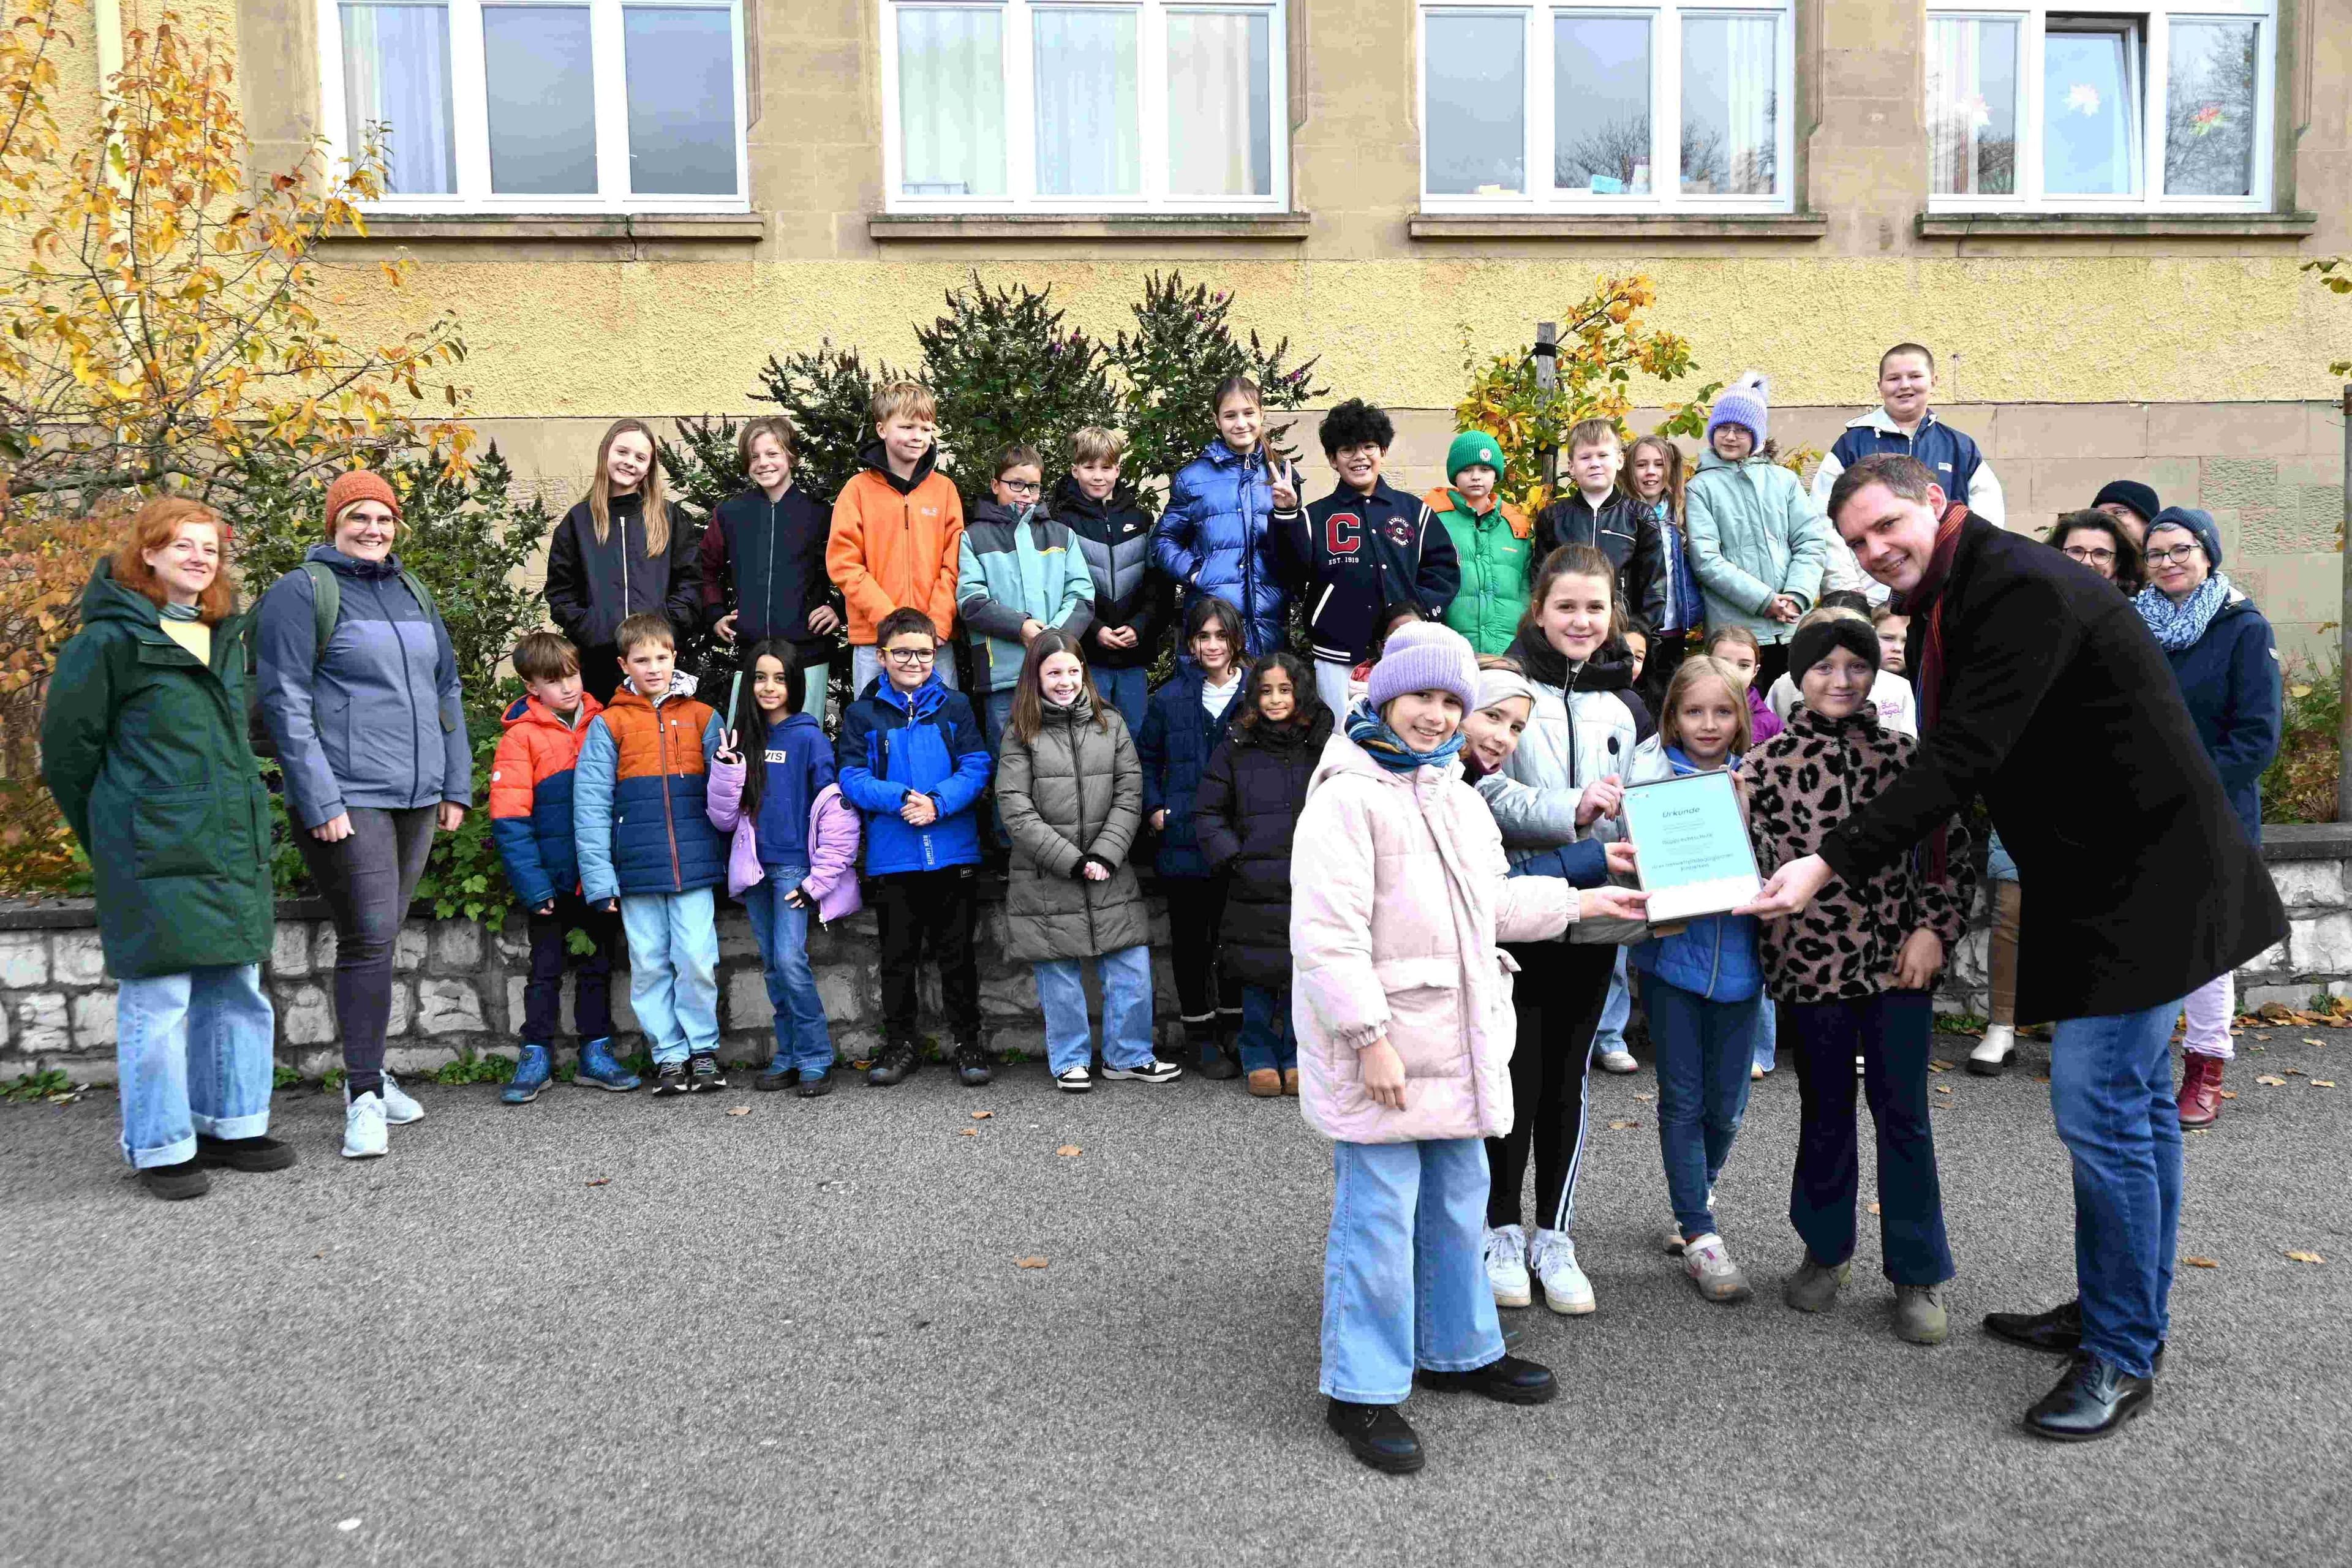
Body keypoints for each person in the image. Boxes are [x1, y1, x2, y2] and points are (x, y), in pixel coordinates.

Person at [1758, 451, 2286, 1441]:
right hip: (2103, 882)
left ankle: (2122, 1351)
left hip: (2147, 885)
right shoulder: (1964, 589)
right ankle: (2118, 1309)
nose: (1876, 551)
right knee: (2135, 1111)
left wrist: (1826, 862)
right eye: (1859, 541)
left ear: (1936, 502)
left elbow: (1961, 757)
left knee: (2104, 1111)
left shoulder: (2012, 586)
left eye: (1887, 526)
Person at [1291, 619, 1645, 1474]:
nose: (1439, 716)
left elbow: (1493, 901)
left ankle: (1456, 1349)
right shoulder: (1345, 796)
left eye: (1453, 701)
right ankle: (1361, 1388)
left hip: (1458, 1041)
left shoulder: (1453, 792)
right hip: (1386, 1048)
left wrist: (1582, 903)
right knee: (1378, 1222)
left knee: (1459, 1202)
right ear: (1385, 697)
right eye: (1422, 696)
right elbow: (1327, 937)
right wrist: (1369, 1040)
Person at [1742, 616, 1975, 1346]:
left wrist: (1933, 928)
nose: (1840, 680)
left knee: (1904, 1112)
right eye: (1824, 667)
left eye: (1855, 666)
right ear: (1798, 676)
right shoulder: (1766, 766)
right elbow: (1748, 866)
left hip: (1900, 966)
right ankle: (1825, 1249)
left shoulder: (1909, 758)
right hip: (1813, 967)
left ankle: (1917, 1271)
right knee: (1824, 1109)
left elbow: (1950, 854)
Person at [42, 499, 282, 1198]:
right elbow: (69, 756)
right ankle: (162, 1145)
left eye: (210, 548)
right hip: (151, 848)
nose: (200, 559)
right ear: (147, 553)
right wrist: (116, 834)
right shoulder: (107, 643)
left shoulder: (221, 636)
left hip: (227, 842)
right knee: (160, 999)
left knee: (237, 989)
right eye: (183, 545)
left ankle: (232, 1123)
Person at [257, 469, 470, 1159]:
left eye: (383, 518)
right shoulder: (302, 592)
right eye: (358, 517)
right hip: (349, 796)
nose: (373, 529)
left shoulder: (413, 591)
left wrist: (455, 783)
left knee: (378, 934)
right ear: (334, 524)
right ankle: (364, 1095)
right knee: (371, 937)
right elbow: (286, 700)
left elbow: (447, 688)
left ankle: (370, 1073)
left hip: (417, 794)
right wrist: (320, 797)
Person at [1480, 546, 1643, 1317]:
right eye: (1566, 606)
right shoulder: (1509, 690)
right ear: (1538, 610)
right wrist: (1569, 809)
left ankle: (1555, 1233)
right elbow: (1484, 789)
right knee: (1514, 1075)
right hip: (1522, 908)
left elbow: (1643, 804)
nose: (1581, 620)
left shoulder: (1625, 708)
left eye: (1595, 608)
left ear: (1613, 616)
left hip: (1597, 918)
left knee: (1569, 1079)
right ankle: (1499, 1227)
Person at [2135, 508, 2282, 1128]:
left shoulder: (2243, 627)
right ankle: (2142, 1069)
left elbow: (2257, 739)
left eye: (2181, 550)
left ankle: (2205, 1071)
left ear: (2207, 553)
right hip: (2140, 811)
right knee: (2144, 944)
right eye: (2156, 553)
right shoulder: (2132, 624)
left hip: (2213, 813)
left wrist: (2185, 788)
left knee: (2206, 949)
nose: (2168, 562)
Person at [1627, 655, 1764, 1300]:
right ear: (1673, 719)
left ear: (1741, 718)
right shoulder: (1649, 785)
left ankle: (1697, 1190)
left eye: (1722, 711)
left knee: (1728, 1105)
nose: (1708, 724)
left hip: (1742, 968)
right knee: (1682, 1099)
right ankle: (1700, 1232)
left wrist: (1749, 818)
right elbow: (1628, 869)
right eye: (1693, 711)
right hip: (1672, 966)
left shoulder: (1760, 781)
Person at [994, 632, 1177, 1093]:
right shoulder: (1020, 731)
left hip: (1108, 867)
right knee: (1058, 970)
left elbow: (1129, 792)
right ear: (1035, 676)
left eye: (1073, 671)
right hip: (1046, 873)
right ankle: (1070, 1059)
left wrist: (1104, 854)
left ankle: (1129, 1055)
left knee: (1130, 963)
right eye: (1054, 672)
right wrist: (1072, 861)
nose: (1065, 681)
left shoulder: (1109, 723)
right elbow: (1015, 807)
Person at [834, 608, 993, 1088]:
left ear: (935, 655)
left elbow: (977, 766)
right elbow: (851, 777)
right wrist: (902, 798)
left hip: (952, 851)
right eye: (902, 652)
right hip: (894, 855)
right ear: (881, 656)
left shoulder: (956, 707)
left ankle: (968, 1042)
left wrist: (938, 804)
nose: (914, 661)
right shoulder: (862, 714)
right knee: (897, 958)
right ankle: (900, 1043)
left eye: (924, 653)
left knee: (958, 956)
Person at [572, 613, 727, 1098]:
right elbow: (591, 804)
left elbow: (727, 796)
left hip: (694, 866)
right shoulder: (609, 724)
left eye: (662, 657)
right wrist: (599, 877)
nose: (654, 667)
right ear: (624, 665)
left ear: (675, 657)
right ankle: (669, 1055)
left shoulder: (704, 717)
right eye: (642, 660)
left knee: (697, 960)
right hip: (636, 870)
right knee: (650, 965)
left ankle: (703, 1049)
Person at [488, 631, 636, 1104]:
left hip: (596, 878)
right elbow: (510, 820)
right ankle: (535, 1054)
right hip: (550, 883)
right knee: (545, 971)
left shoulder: (605, 722)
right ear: (532, 687)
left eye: (572, 675)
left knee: (598, 966)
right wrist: (533, 886)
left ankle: (596, 1052)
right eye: (554, 681)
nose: (568, 687)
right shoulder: (521, 738)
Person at [707, 640, 861, 1098]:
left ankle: (816, 1057)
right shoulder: (741, 737)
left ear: (794, 683)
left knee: (792, 962)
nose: (768, 687)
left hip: (794, 871)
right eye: (759, 678)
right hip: (753, 869)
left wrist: (819, 880)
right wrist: (726, 770)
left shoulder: (809, 738)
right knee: (774, 967)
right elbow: (723, 818)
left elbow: (835, 811)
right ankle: (789, 1055)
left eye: (778, 678)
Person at [1196, 652, 1332, 1098]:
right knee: (1254, 975)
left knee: (1301, 974)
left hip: (1310, 881)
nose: (1275, 700)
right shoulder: (1236, 747)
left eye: (1285, 690)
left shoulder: (1323, 747)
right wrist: (1235, 858)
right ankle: (1257, 1056)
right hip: (1251, 884)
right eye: (1267, 691)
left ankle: (1296, 1057)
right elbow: (1209, 812)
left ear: (1301, 693)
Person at [1275, 397, 1460, 718]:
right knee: (1342, 736)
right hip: (1337, 656)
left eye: (1369, 447)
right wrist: (1287, 515)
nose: (1360, 457)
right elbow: (1289, 574)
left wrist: (1417, 613)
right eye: (1348, 450)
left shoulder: (1413, 511)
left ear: (1383, 451)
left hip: (1403, 652)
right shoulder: (1314, 517)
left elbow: (1444, 569)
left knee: (1401, 732)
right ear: (1333, 460)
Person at [958, 443, 1095, 846]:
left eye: (1033, 486)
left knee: (1059, 761)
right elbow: (971, 601)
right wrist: (1021, 628)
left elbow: (1082, 596)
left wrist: (1053, 641)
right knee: (1009, 762)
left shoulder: (1061, 535)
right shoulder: (974, 537)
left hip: (1057, 675)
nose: (1025, 494)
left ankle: (1061, 847)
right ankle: (1010, 850)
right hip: (1003, 674)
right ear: (995, 485)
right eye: (1015, 484)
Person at [1137, 596, 1250, 1076]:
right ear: (1189, 643)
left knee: (1236, 939)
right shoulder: (1169, 699)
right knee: (1190, 943)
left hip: (1241, 839)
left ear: (1236, 640)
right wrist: (1155, 810)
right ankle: (1200, 1036)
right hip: (1184, 837)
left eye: (1221, 635)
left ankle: (1237, 1030)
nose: (1212, 645)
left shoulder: (1258, 695)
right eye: (1203, 636)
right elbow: (1145, 760)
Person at [545, 418, 703, 705]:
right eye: (622, 452)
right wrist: (591, 629)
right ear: (606, 452)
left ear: (649, 467)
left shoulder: (669, 518)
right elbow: (561, 591)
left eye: (640, 457)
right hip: (599, 664)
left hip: (656, 665)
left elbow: (690, 582)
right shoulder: (578, 522)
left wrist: (667, 628)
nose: (630, 462)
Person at [699, 415, 843, 726]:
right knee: (747, 745)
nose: (763, 463)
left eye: (772, 453)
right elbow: (705, 568)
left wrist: (838, 607)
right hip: (752, 654)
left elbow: (853, 565)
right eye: (754, 456)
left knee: (801, 743)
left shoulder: (821, 514)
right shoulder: (731, 514)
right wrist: (715, 613)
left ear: (791, 457)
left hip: (807, 654)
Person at [1686, 374, 1825, 687]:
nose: (1730, 436)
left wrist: (1796, 596)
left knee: (1794, 705)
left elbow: (1810, 543)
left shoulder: (1784, 481)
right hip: (1736, 635)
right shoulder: (1700, 488)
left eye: (1741, 429)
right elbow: (1707, 560)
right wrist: (1765, 600)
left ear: (1757, 435)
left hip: (1791, 626)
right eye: (1723, 428)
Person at [1810, 343, 2007, 562]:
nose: (1904, 386)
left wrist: (1970, 568)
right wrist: (1846, 580)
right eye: (1894, 379)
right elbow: (1823, 517)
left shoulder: (1960, 447)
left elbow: (1988, 519)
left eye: (1915, 376)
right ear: (1880, 387)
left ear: (1933, 382)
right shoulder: (1851, 446)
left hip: (1949, 576)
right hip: (1873, 576)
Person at [830, 380, 965, 697]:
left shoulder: (945, 490)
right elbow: (845, 563)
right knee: (875, 722)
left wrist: (937, 623)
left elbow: (955, 563)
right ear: (882, 429)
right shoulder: (857, 490)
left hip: (934, 642)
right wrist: (889, 622)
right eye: (907, 427)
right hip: (876, 641)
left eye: (926, 429)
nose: (918, 436)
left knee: (940, 721)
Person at [1153, 375, 1289, 662]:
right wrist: (1196, 572)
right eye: (1230, 416)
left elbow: (1294, 548)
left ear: (1261, 415)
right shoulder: (1193, 478)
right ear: (1217, 421)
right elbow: (1163, 540)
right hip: (1213, 625)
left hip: (1270, 623)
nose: (1241, 423)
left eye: (1248, 413)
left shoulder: (1281, 475)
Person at [1059, 426, 1171, 737]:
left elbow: (1158, 585)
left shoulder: (1141, 520)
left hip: (1133, 656)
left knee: (1134, 734)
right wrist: (1094, 629)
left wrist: (1140, 626)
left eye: (1106, 468)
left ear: (1118, 469)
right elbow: (1060, 588)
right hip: (1086, 655)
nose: (1098, 476)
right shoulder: (1063, 523)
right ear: (1075, 470)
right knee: (1090, 734)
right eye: (1089, 467)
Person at [1535, 419, 1664, 631]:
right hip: (1568, 630)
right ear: (1571, 467)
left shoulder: (1640, 517)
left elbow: (1654, 588)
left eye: (1603, 455)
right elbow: (1540, 583)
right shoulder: (1553, 519)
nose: (1595, 463)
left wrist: (1641, 634)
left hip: (1623, 633)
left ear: (1620, 460)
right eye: (1585, 457)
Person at [1425, 429, 1534, 658]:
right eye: (1467, 470)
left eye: (1485, 469)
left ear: (1496, 474)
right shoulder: (1433, 520)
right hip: (1451, 650)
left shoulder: (1516, 525)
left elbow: (1526, 587)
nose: (1476, 477)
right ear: (1454, 475)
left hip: (1509, 651)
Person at [1626, 434, 1702, 713]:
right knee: (1639, 697)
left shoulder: (1679, 514)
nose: (1651, 472)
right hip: (1637, 626)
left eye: (1659, 465)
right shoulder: (1623, 513)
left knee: (1669, 698)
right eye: (1642, 465)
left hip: (1673, 624)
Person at [1765, 603, 1918, 739]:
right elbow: (1771, 733)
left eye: (1856, 666)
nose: (1842, 683)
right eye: (1824, 667)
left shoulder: (1900, 689)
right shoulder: (1783, 687)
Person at [1707, 625, 1783, 747]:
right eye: (1723, 663)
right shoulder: (1689, 707)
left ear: (1755, 671)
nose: (1733, 672)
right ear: (1707, 663)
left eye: (1744, 665)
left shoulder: (1769, 723)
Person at [2052, 508, 2144, 595]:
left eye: (2101, 554)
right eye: (2076, 551)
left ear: (2118, 562)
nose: (2087, 562)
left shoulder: (2136, 605)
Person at [2091, 480, 2160, 550]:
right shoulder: (2088, 556)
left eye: (2118, 513)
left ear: (2147, 521)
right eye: (2101, 514)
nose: (2107, 519)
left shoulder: (2164, 556)